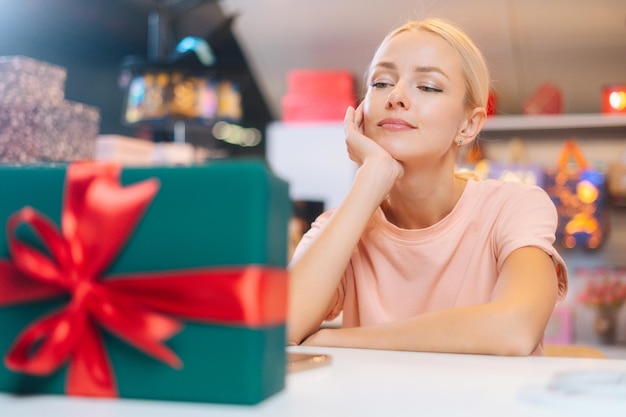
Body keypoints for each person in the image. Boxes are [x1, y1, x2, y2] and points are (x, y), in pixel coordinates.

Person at [287, 18, 568, 356]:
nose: (396, 96)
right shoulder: (340, 226)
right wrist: (371, 176)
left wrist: (334, 340)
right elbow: (281, 326)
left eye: (428, 86)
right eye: (381, 83)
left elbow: (515, 329)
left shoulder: (514, 207)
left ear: (468, 124)